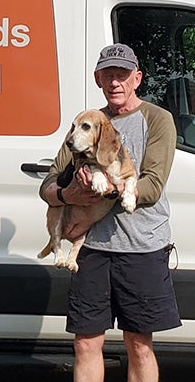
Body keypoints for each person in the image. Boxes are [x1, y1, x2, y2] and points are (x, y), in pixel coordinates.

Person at [39, 43, 181, 382]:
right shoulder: (87, 123)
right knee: (86, 344)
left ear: (137, 78)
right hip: (90, 250)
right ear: (97, 80)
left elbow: (151, 187)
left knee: (139, 345)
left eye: (122, 75)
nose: (115, 82)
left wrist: (108, 188)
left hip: (141, 247)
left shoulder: (157, 120)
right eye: (107, 76)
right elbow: (47, 186)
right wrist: (66, 193)